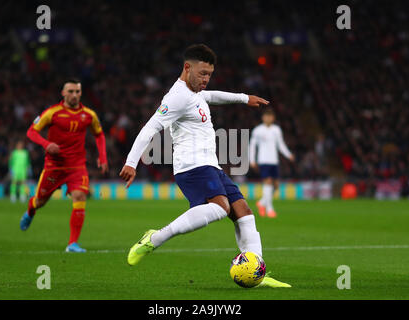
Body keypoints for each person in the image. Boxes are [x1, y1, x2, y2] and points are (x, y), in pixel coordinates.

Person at [120, 44, 290, 288]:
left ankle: (255, 272)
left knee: (244, 213)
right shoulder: (176, 96)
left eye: (209, 74)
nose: (206, 79)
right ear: (187, 67)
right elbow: (151, 127)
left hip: (211, 166)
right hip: (191, 167)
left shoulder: (195, 93)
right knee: (221, 208)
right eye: (202, 73)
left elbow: (211, 96)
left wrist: (244, 98)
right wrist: (131, 162)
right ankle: (155, 238)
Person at [20, 78, 108, 253]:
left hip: (77, 166)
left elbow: (99, 134)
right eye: (71, 91)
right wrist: (46, 145)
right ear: (63, 93)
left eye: (77, 91)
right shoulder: (52, 113)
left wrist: (103, 157)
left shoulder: (89, 115)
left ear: (81, 93)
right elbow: (31, 131)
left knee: (80, 196)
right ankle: (31, 210)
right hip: (54, 167)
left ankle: (72, 243)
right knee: (40, 201)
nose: (74, 95)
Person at [250, 108, 294, 218]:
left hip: (274, 161)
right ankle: (269, 209)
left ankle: (261, 203)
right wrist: (252, 160)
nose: (268, 118)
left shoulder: (276, 130)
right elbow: (252, 146)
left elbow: (280, 144)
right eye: (266, 116)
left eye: (270, 116)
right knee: (268, 182)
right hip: (263, 160)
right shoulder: (258, 130)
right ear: (263, 117)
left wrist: (288, 154)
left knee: (276, 185)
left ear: (273, 118)